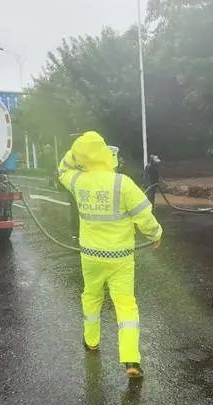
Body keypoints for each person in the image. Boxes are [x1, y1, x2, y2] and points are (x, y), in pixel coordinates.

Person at [58, 132, 162, 379]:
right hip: (120, 258)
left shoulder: (78, 181)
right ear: (105, 154)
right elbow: (144, 217)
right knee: (125, 305)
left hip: (90, 257)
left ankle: (91, 342)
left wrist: (76, 154)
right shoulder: (121, 183)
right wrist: (155, 234)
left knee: (91, 298)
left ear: (84, 157)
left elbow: (62, 169)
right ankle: (130, 359)